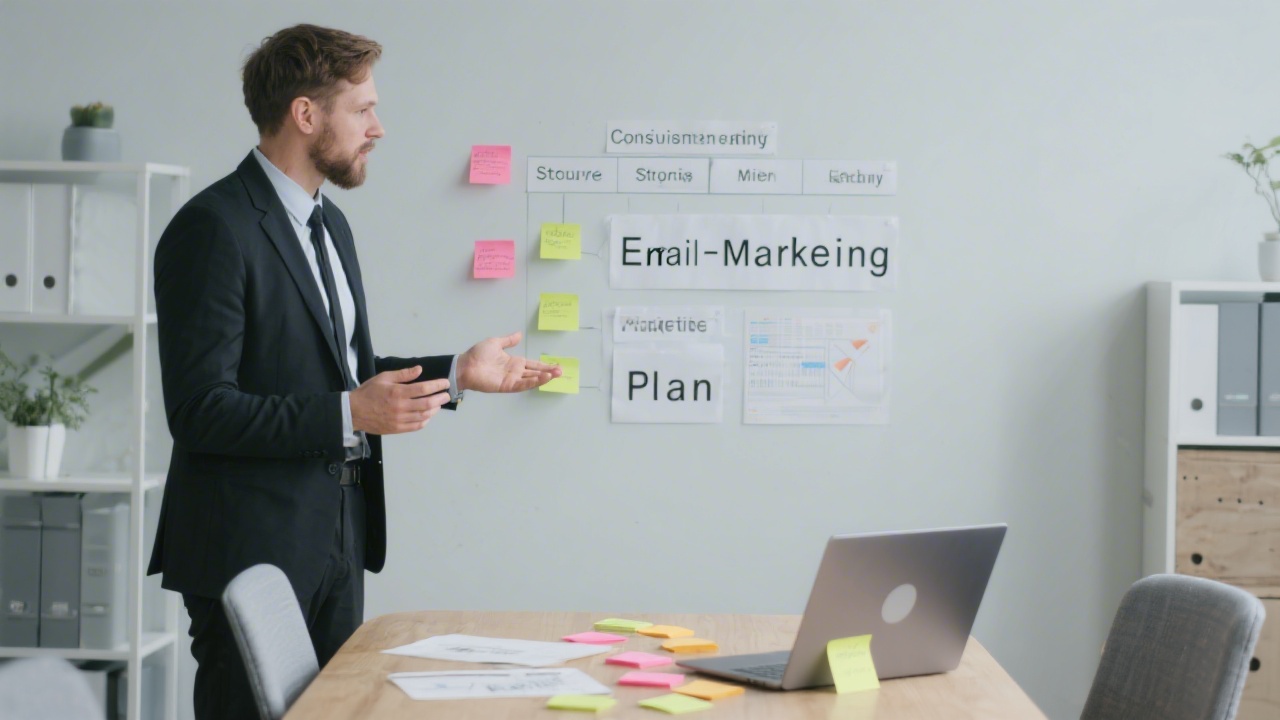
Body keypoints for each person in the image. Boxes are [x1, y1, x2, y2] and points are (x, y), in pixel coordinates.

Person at [145, 23, 560, 720]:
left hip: (336, 541)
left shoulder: (329, 226)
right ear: (306, 115)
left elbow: (346, 373)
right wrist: (347, 415)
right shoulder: (213, 228)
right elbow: (200, 409)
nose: (379, 128)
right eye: (363, 109)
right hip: (249, 557)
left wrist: (456, 372)